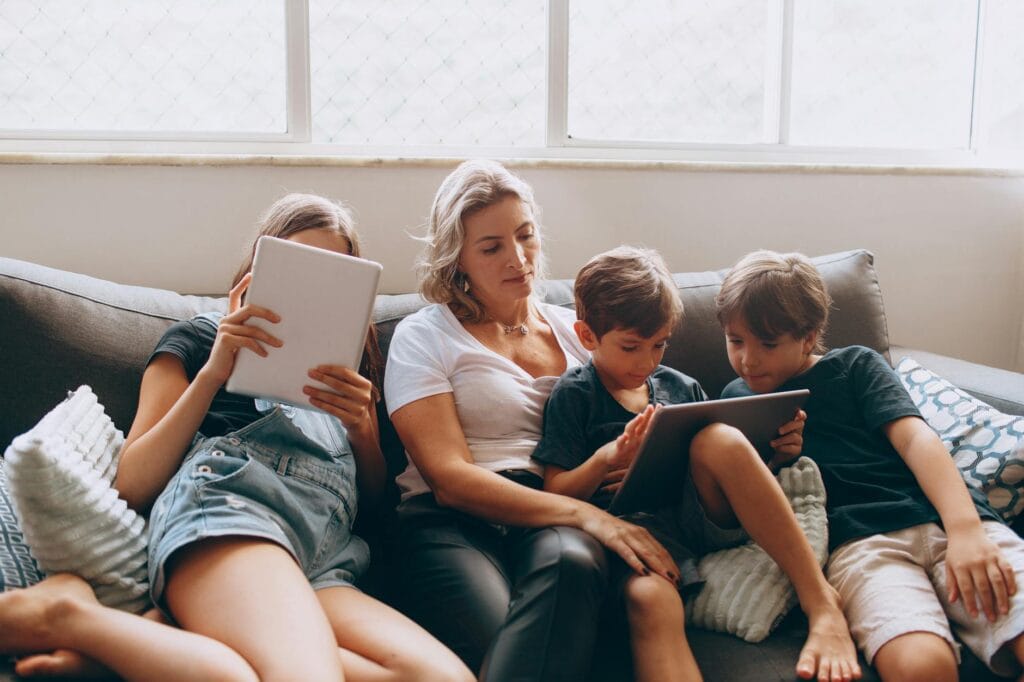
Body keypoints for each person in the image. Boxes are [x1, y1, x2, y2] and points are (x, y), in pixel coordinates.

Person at [0, 193, 472, 682]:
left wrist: (363, 430)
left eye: (334, 276)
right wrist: (214, 371)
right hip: (234, 512)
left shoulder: (355, 371)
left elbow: (373, 512)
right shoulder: (199, 339)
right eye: (300, 272)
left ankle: (164, 638)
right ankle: (69, 616)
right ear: (259, 269)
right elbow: (132, 484)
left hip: (324, 551)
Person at [384, 160, 680, 681]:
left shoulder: (579, 331)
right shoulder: (423, 335)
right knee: (501, 630)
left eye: (525, 236)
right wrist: (589, 517)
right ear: (458, 260)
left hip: (553, 509)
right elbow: (448, 479)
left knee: (572, 565)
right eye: (492, 246)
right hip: (451, 519)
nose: (518, 258)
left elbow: (653, 394)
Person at [532, 246, 861, 682]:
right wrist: (606, 458)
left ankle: (819, 598)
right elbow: (554, 493)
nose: (647, 361)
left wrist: (778, 454)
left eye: (660, 345)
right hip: (639, 538)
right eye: (631, 347)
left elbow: (722, 466)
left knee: (719, 437)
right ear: (587, 336)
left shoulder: (679, 386)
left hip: (700, 515)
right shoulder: (577, 394)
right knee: (652, 601)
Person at [716, 249, 1024, 681]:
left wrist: (966, 528)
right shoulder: (734, 400)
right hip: (860, 544)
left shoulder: (856, 365)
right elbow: (752, 501)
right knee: (920, 666)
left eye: (768, 344)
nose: (749, 359)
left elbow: (916, 439)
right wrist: (781, 461)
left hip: (943, 516)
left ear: (808, 337)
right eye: (735, 341)